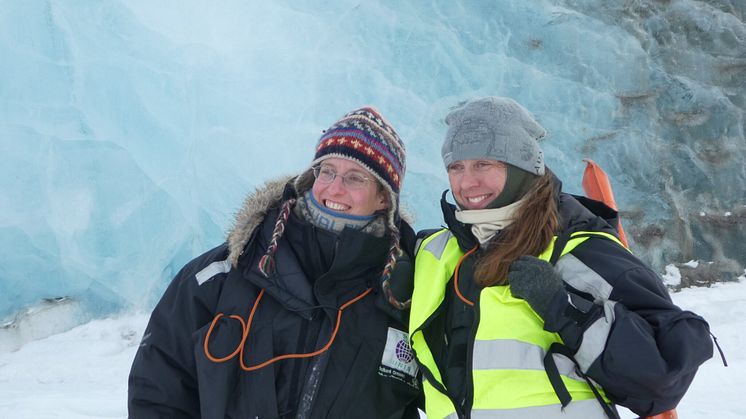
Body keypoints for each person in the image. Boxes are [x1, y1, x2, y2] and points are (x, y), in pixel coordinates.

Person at [408, 97, 714, 418]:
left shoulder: (579, 249)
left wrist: (568, 312)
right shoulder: (434, 254)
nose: (468, 182)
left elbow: (660, 380)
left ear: (520, 166)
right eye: (456, 167)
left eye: (484, 164)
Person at [128, 107, 422, 418]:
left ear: (383, 198)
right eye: (327, 172)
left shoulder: (403, 294)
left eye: (355, 178)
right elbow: (158, 387)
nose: (334, 188)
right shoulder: (224, 273)